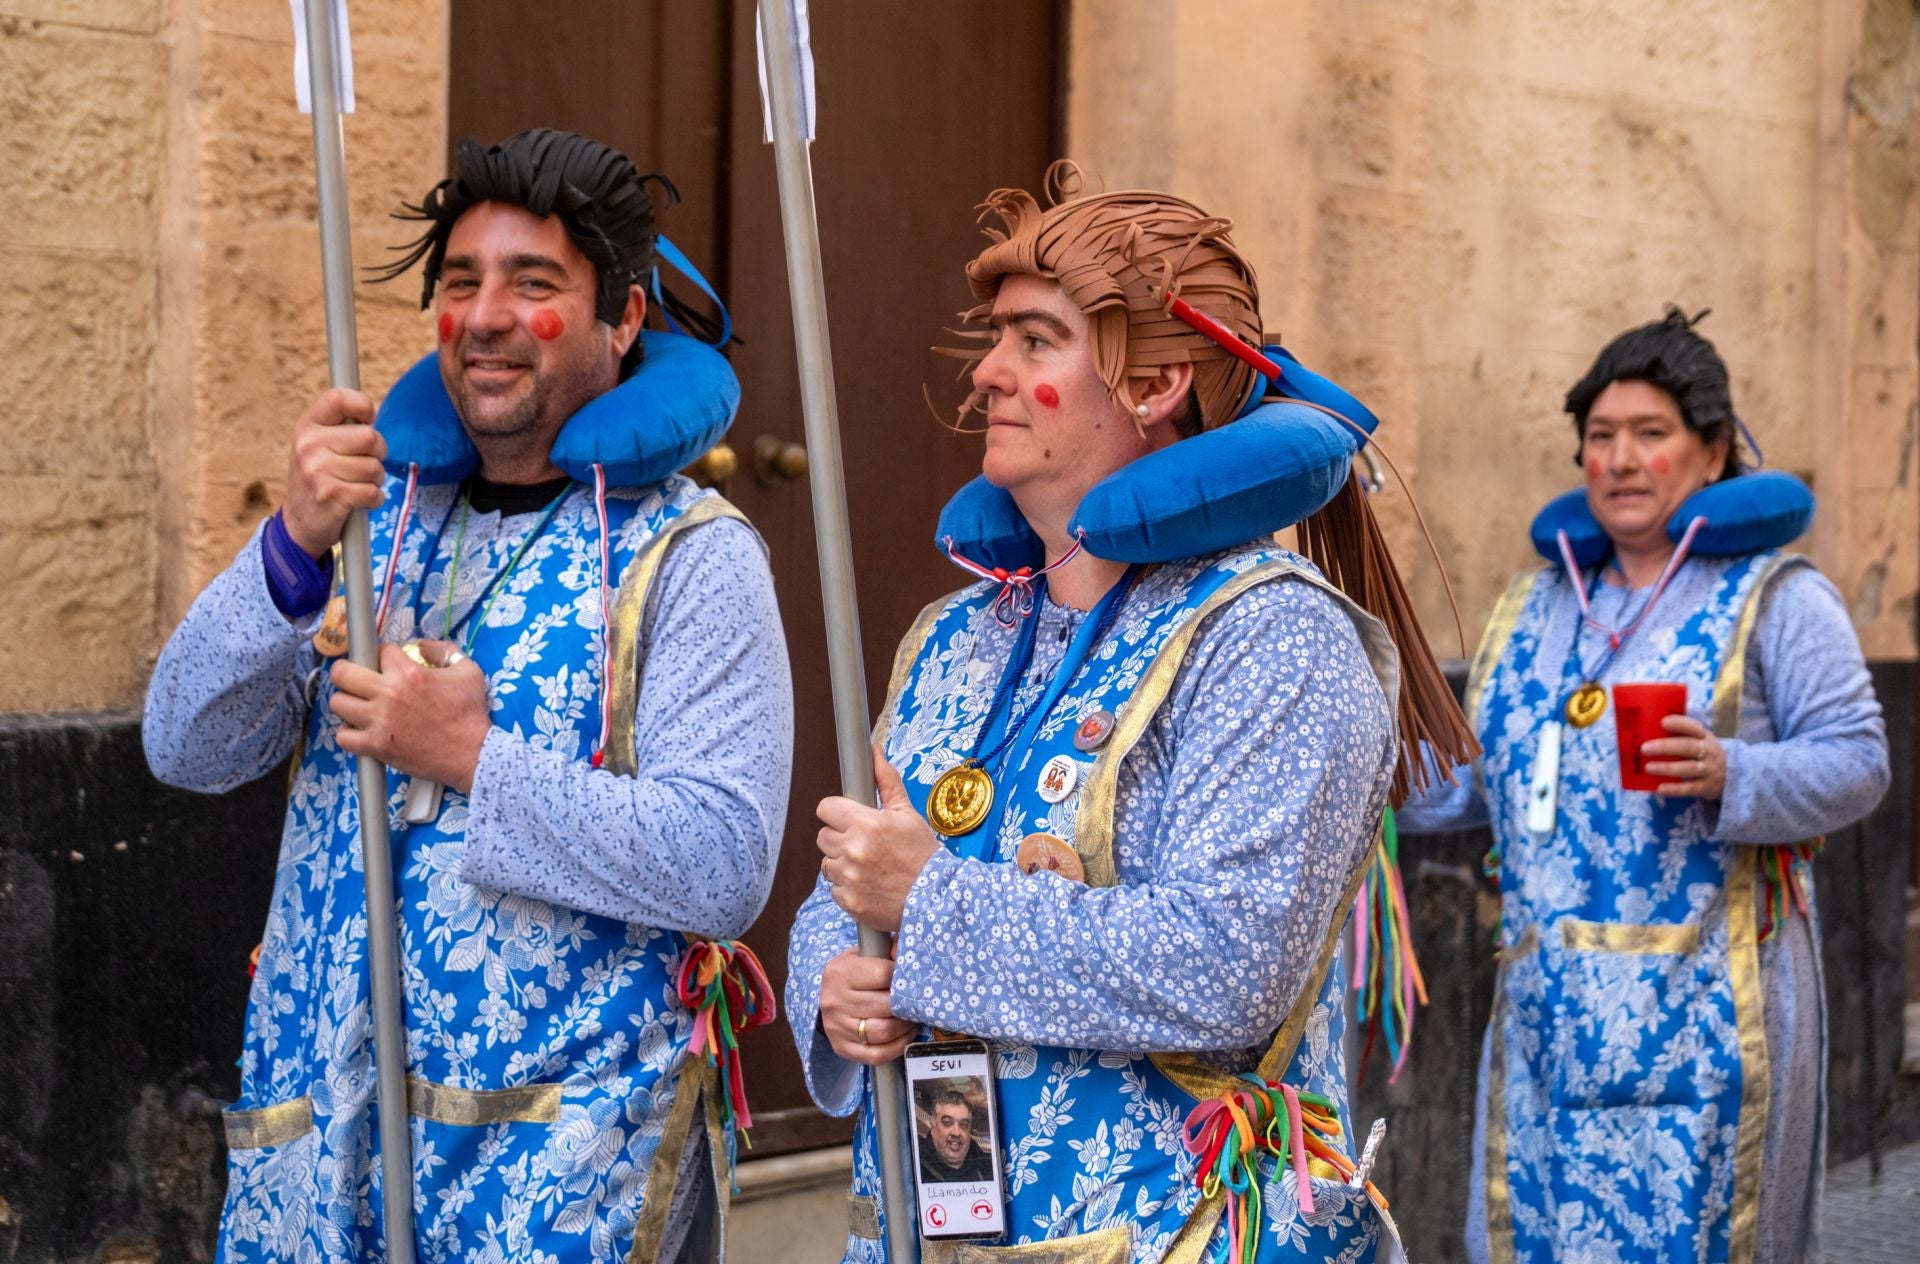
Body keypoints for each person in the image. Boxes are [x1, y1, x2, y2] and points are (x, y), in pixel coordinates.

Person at [788, 165, 1469, 1262]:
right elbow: (857, 879)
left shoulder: (1275, 639)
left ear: (1154, 387)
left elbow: (1228, 964)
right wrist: (837, 978)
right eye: (994, 336)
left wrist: (935, 906)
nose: (987, 372)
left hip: (1175, 1235)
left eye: (1035, 341)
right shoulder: (953, 631)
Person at [143, 129, 792, 1263]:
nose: (485, 315)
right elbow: (184, 744)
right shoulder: (371, 530)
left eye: (533, 284)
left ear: (625, 318)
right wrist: (290, 548)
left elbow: (722, 861)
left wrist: (474, 760)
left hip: (565, 1168)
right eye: (460, 282)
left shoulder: (694, 555)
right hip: (328, 1158)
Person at [1398, 307, 1890, 1264]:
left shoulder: (1778, 598)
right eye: (1600, 437)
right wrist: (1358, 770)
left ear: (1710, 453)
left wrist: (1733, 770)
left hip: (1710, 1019)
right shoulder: (1531, 606)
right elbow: (1466, 784)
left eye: (1650, 435)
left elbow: (1860, 760)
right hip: (1546, 1019)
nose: (1620, 459)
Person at [918, 1090, 994, 1184]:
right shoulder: (915, 1166)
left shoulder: (988, 1167)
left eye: (963, 1125)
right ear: (933, 1124)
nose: (956, 1132)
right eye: (947, 1123)